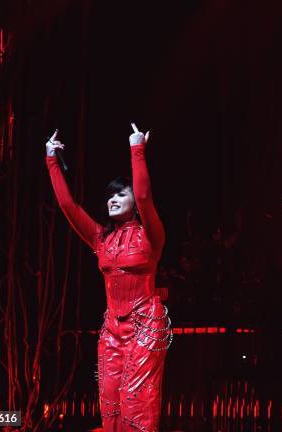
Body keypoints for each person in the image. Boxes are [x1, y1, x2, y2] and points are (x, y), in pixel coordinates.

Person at [45, 123, 172, 432]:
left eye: (120, 194)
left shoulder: (150, 236)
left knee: (136, 403)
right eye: (109, 196)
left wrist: (136, 148)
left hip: (145, 326)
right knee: (110, 402)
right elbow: (67, 206)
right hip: (112, 329)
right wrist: (51, 158)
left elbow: (143, 196)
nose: (112, 199)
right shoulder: (101, 238)